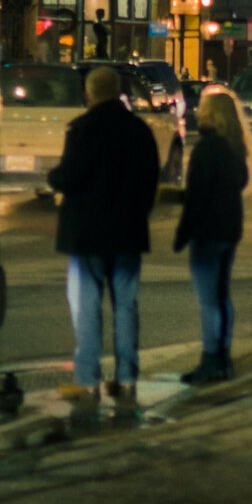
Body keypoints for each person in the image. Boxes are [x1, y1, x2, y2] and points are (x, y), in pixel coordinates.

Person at [47, 65, 160, 413]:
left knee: (87, 307)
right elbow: (150, 178)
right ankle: (126, 375)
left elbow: (71, 176)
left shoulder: (83, 129)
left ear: (90, 93)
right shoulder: (139, 130)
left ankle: (87, 378)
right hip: (127, 232)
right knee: (126, 305)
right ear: (119, 92)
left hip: (87, 235)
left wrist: (53, 177)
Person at [174, 87, 250, 384]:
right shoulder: (235, 148)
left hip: (207, 231)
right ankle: (223, 357)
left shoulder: (207, 149)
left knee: (208, 300)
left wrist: (182, 234)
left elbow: (197, 197)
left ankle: (210, 360)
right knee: (221, 296)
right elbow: (237, 184)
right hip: (229, 227)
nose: (197, 112)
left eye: (203, 107)